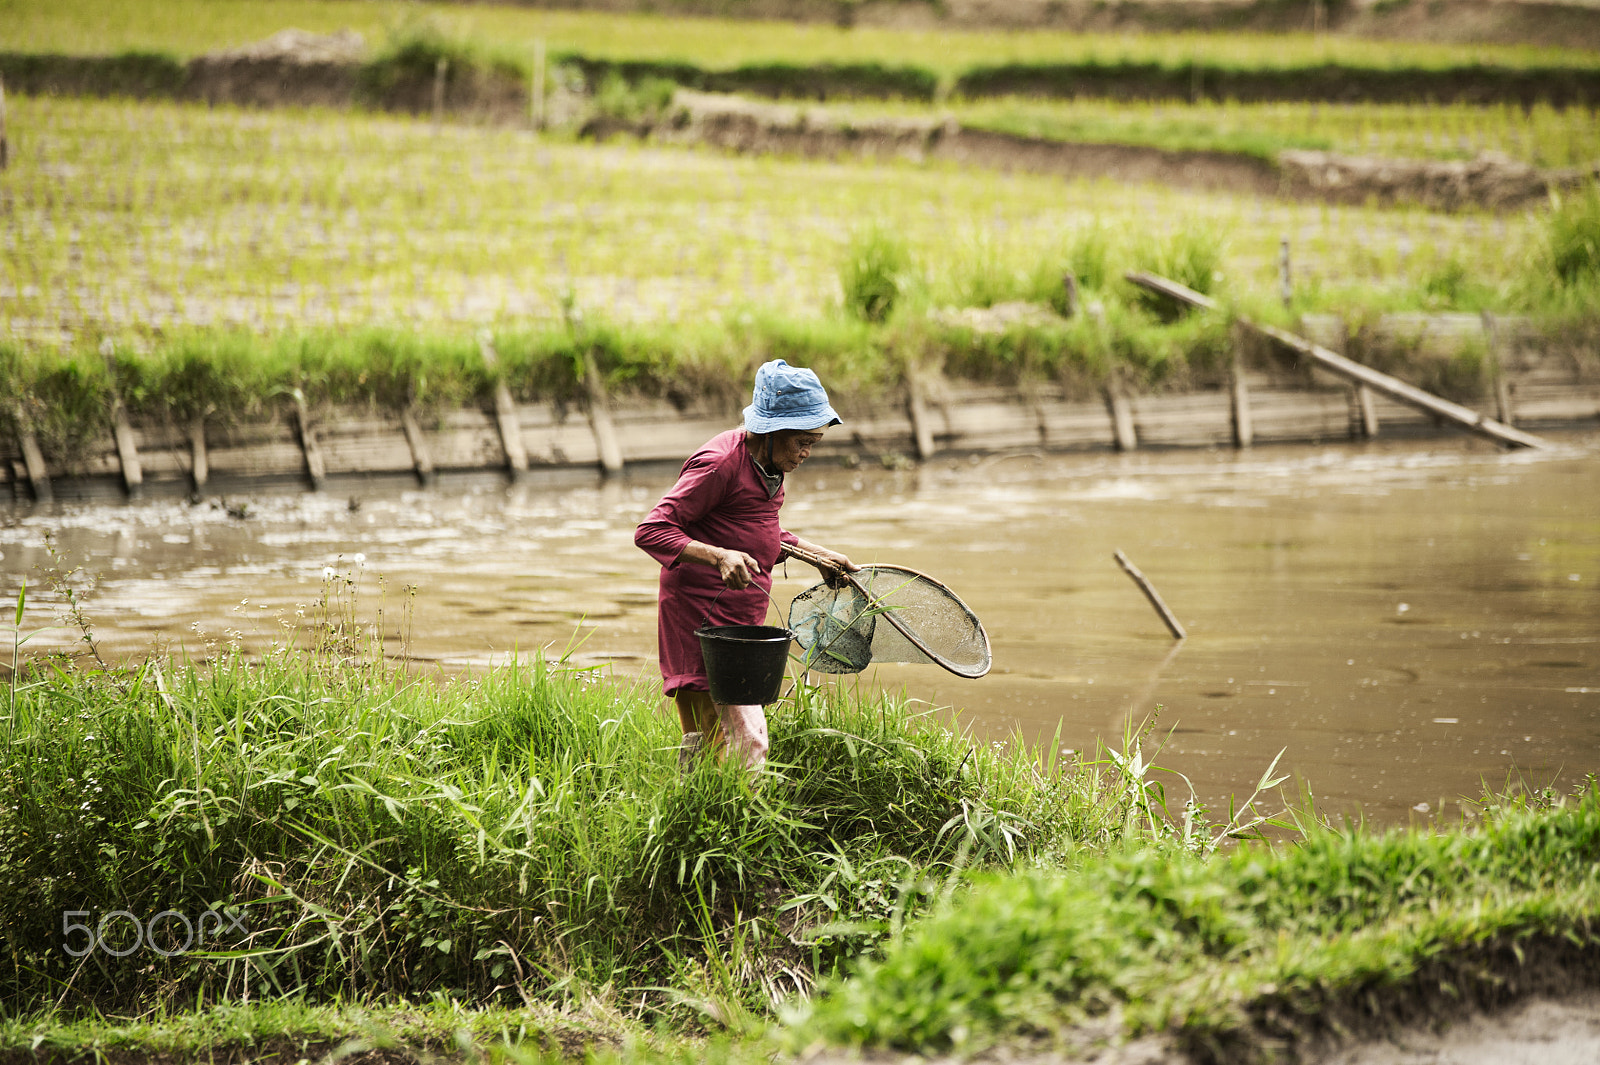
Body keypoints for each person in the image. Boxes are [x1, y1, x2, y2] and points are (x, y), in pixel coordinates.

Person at [635, 360, 858, 771]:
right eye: (801, 441)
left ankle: (697, 810)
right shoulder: (719, 464)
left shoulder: (771, 466)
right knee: (745, 742)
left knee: (709, 740)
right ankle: (740, 819)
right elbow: (651, 530)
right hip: (701, 620)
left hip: (740, 624)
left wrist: (815, 554)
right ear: (770, 432)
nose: (807, 452)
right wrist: (719, 556)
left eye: (814, 442)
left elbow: (752, 532)